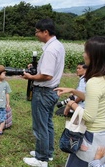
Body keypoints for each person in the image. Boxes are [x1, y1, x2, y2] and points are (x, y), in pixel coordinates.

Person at [55, 36, 105, 167]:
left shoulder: (94, 82)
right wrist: (73, 90)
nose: (84, 54)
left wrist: (71, 104)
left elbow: (89, 116)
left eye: (86, 51)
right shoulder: (102, 79)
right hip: (101, 134)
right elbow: (97, 100)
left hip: (90, 137)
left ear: (94, 55)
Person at [22, 18, 65, 167]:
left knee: (40, 126)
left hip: (43, 92)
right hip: (52, 91)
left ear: (45, 32)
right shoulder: (58, 46)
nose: (36, 34)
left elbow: (47, 75)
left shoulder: (50, 50)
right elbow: (48, 69)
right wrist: (36, 67)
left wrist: (31, 77)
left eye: (37, 31)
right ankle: (48, 153)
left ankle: (41, 159)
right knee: (47, 124)